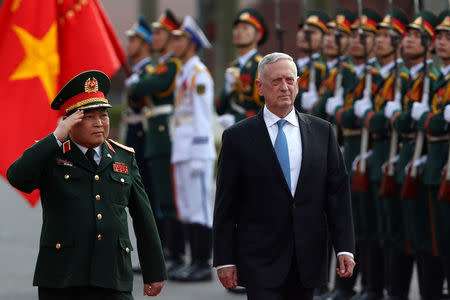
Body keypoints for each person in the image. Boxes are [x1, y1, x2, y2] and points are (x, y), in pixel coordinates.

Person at [6, 70, 166, 299]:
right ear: (72, 122)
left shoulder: (123, 158)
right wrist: (55, 137)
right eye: (89, 117)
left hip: (112, 275)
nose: (99, 123)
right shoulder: (52, 155)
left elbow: (144, 216)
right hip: (63, 277)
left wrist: (154, 270)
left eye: (104, 115)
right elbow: (16, 177)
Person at [213, 52, 356, 300]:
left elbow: (337, 196)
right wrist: (224, 259)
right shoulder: (237, 137)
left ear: (298, 84)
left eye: (290, 80)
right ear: (260, 87)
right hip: (259, 258)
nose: (284, 87)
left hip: (307, 259)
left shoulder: (322, 132)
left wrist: (345, 248)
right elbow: (226, 204)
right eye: (276, 81)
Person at [390, 11, 444, 300]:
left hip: (431, 162)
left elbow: (418, 122)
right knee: (406, 235)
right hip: (409, 161)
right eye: (407, 35)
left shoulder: (432, 77)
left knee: (430, 238)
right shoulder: (411, 77)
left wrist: (421, 120)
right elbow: (400, 121)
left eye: (417, 36)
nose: (409, 40)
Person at [128, 9, 185, 277]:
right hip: (155, 134)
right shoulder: (163, 64)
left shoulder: (171, 65)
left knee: (167, 198)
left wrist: (141, 85)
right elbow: (137, 93)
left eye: (161, 33)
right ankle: (163, 252)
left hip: (165, 132)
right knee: (157, 197)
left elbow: (151, 87)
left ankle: (174, 253)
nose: (156, 37)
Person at [362, 8, 413, 300]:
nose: (379, 41)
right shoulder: (374, 74)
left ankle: (395, 290)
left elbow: (384, 121)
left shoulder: (403, 76)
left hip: (393, 153)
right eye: (377, 35)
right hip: (373, 154)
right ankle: (374, 286)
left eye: (386, 36)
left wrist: (369, 115)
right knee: (373, 225)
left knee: (393, 228)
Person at [169, 15, 216, 282]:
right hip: (183, 146)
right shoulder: (184, 72)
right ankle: (191, 260)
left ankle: (202, 262)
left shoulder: (199, 75)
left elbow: (201, 116)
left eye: (180, 39)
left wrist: (199, 151)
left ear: (192, 44)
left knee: (200, 207)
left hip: (196, 149)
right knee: (186, 207)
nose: (175, 44)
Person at [417, 8, 450, 293]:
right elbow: (433, 121)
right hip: (436, 163)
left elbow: (437, 122)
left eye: (447, 37)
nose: (440, 41)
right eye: (438, 36)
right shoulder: (440, 78)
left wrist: (430, 119)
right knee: (437, 236)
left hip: (445, 163)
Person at [123, 17, 156, 266]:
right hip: (134, 133)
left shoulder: (149, 73)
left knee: (148, 197)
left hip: (145, 137)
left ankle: (154, 253)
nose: (129, 44)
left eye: (134, 40)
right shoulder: (136, 72)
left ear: (145, 44)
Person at [215, 8, 268, 128]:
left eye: (245, 28)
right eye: (236, 28)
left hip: (255, 128)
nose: (239, 32)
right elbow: (219, 108)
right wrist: (228, 89)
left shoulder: (262, 65)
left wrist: (237, 119)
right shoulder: (234, 66)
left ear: (258, 35)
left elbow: (267, 107)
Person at [295, 10, 329, 114]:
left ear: (323, 40)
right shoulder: (291, 66)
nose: (306, 35)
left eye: (313, 31)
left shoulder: (322, 69)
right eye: (302, 30)